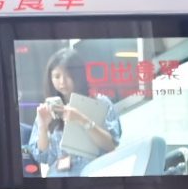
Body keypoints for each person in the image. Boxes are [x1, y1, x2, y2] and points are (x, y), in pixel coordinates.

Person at [27, 46, 119, 174]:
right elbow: (44, 156)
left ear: (79, 75)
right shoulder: (46, 110)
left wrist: (81, 119)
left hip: (94, 171)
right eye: (56, 76)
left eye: (68, 75)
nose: (62, 82)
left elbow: (111, 145)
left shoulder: (100, 102)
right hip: (60, 175)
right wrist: (43, 127)